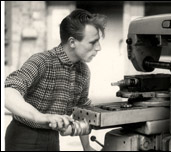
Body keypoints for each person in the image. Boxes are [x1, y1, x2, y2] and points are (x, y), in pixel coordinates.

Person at [5, 9, 107, 151]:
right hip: (23, 137)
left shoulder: (83, 72)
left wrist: (87, 147)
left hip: (52, 138)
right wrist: (41, 117)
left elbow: (82, 110)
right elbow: (8, 94)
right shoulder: (41, 61)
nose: (99, 48)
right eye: (92, 42)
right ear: (72, 42)